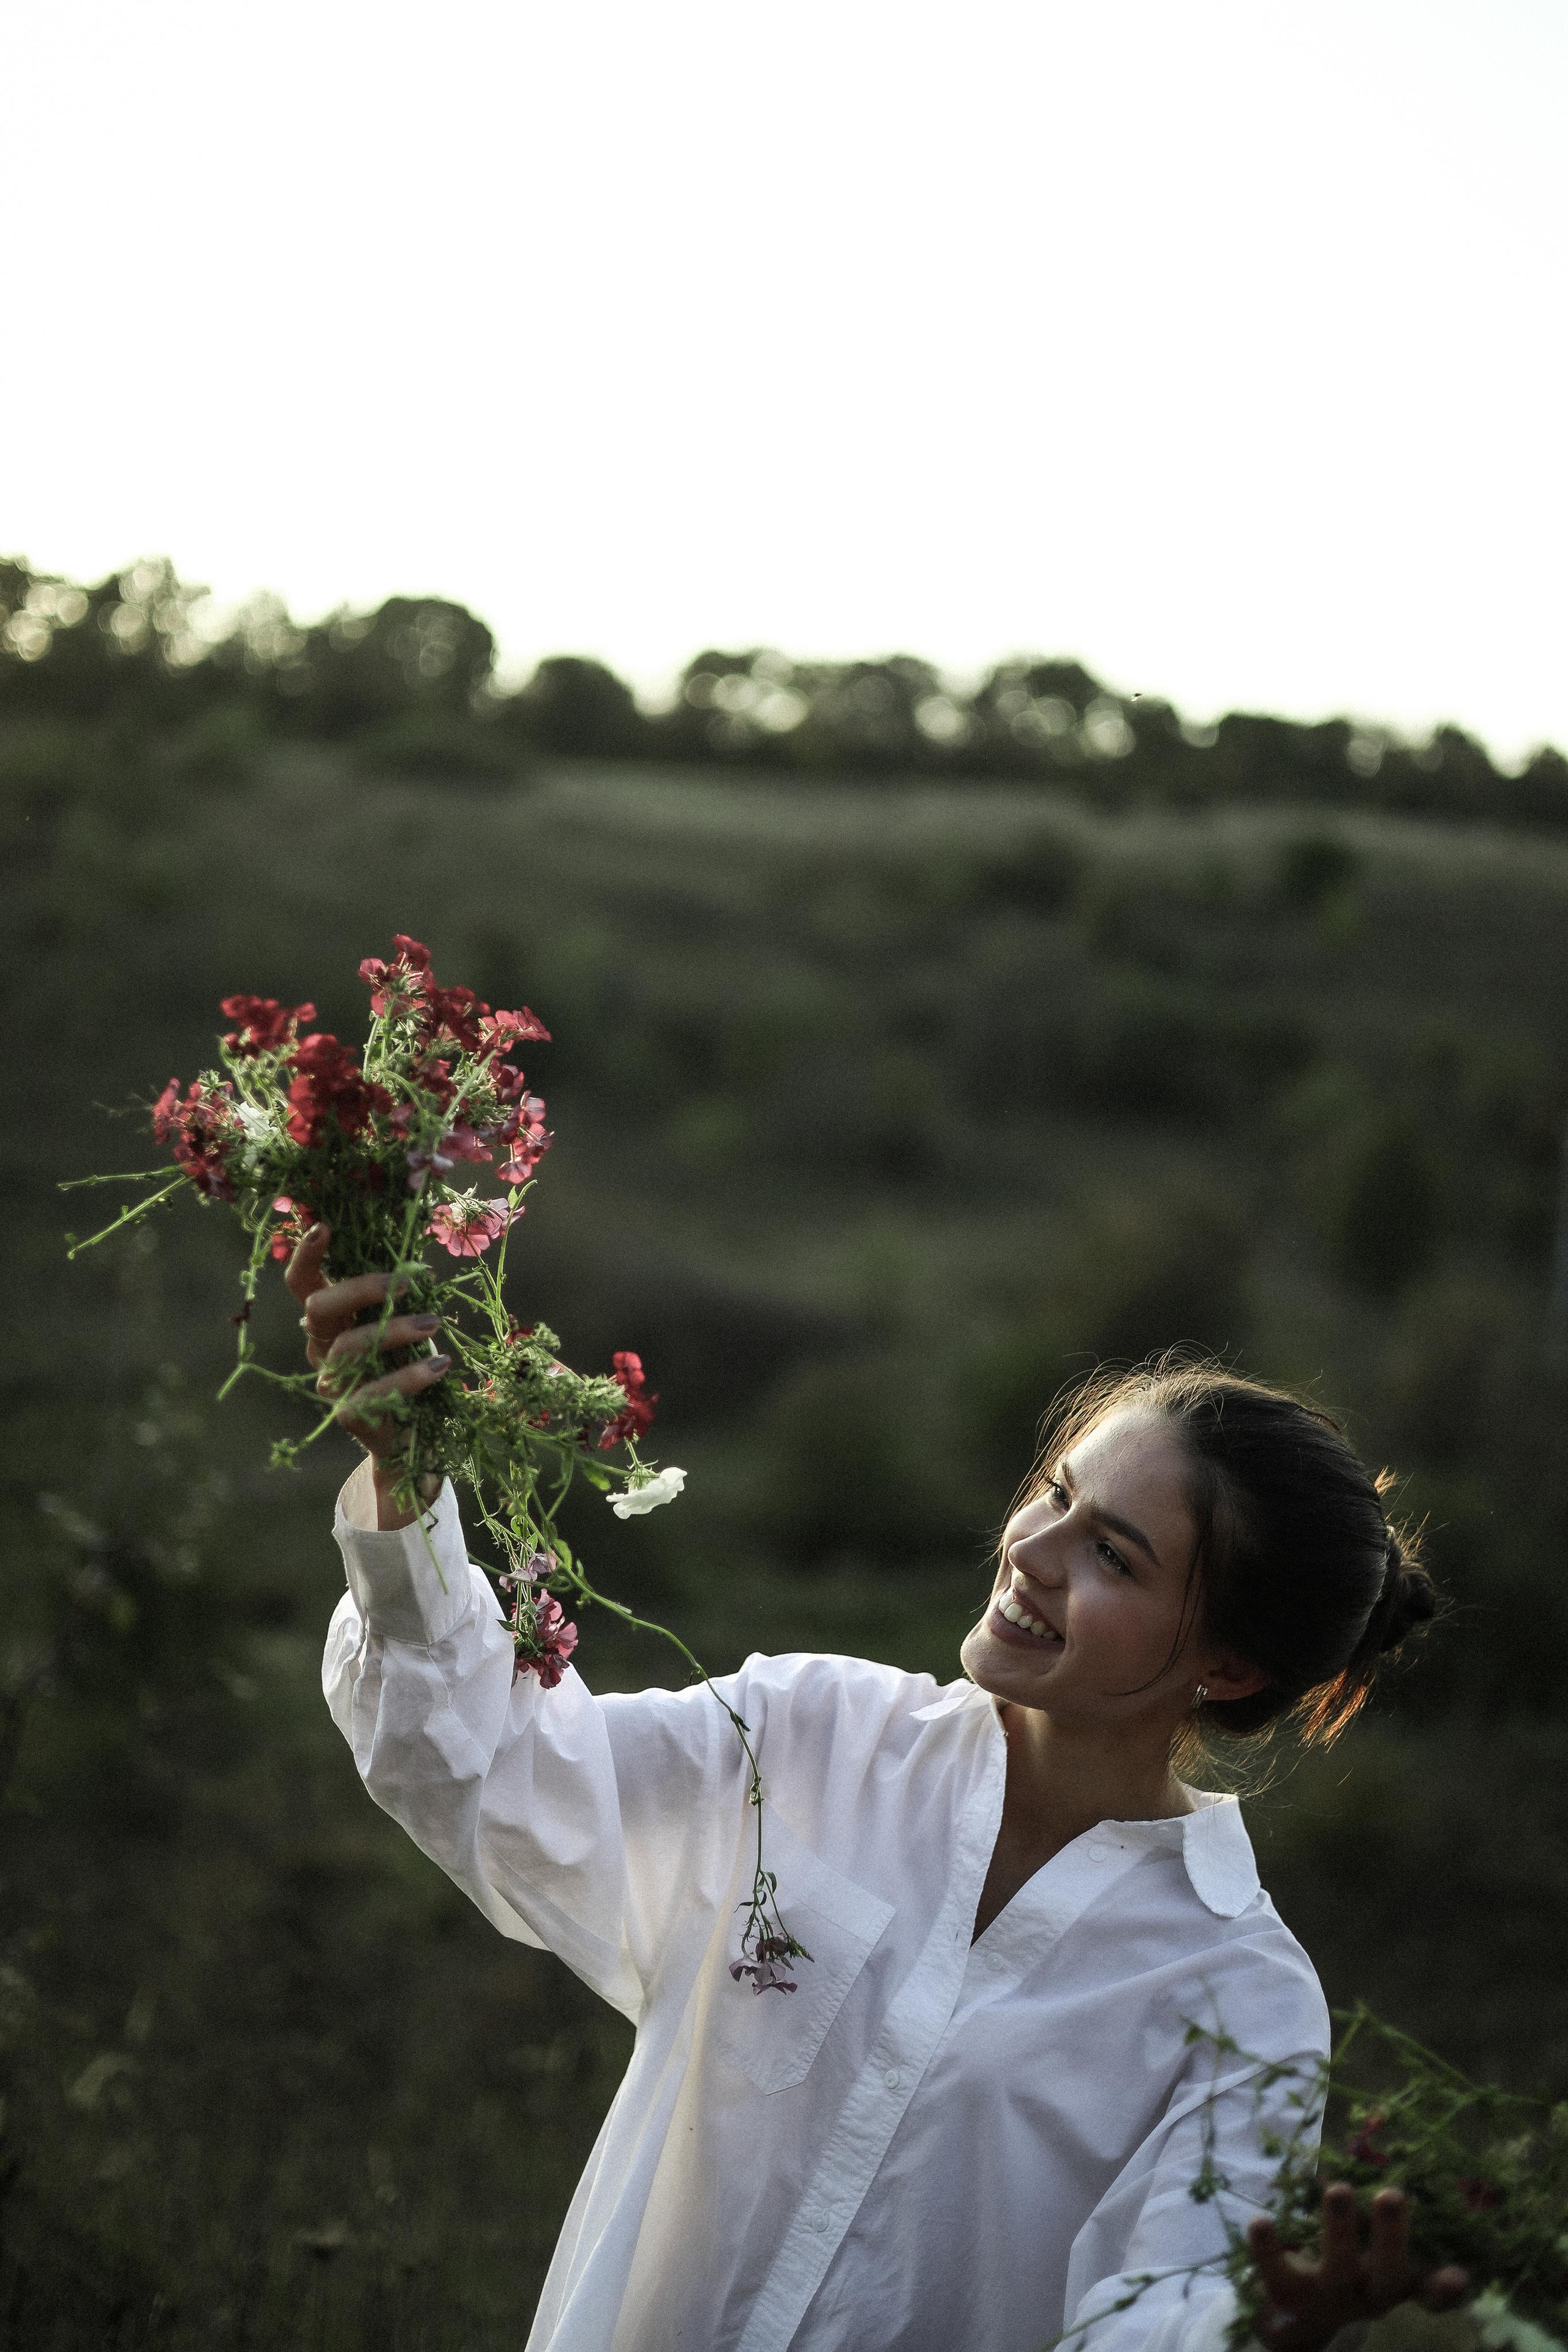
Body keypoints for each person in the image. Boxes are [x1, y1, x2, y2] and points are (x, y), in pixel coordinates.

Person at [290, 1224, 1468, 2352]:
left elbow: (1157, 2320)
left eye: (1112, 1554)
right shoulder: (811, 1736)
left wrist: (1263, 2333)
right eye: (1055, 1494)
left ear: (1228, 1665)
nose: (1032, 1554)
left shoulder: (1238, 2000)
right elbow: (498, 1777)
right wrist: (408, 1475)